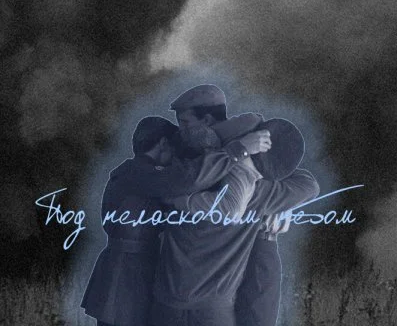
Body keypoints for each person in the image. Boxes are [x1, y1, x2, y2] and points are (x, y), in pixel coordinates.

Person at [151, 85, 319, 326]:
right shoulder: (258, 193)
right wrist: (277, 193)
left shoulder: (181, 173)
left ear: (206, 121)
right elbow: (309, 185)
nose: (181, 131)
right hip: (212, 310)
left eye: (185, 123)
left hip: (168, 304)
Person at [81, 114, 271, 326]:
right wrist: (238, 150)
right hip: (126, 276)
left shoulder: (136, 173)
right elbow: (188, 179)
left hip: (129, 271)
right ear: (163, 143)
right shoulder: (141, 173)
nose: (176, 160)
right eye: (173, 150)